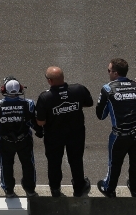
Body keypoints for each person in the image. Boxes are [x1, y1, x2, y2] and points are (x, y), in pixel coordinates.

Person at [36, 66, 93, 197]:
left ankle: (55, 189)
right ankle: (79, 189)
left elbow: (40, 122)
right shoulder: (78, 89)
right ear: (63, 77)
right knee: (76, 160)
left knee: (54, 162)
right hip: (76, 133)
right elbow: (89, 103)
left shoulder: (45, 97)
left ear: (50, 81)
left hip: (54, 136)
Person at [0, 76, 40, 197]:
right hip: (24, 140)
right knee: (28, 164)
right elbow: (33, 122)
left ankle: (9, 189)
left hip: (5, 141)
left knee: (6, 165)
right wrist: (39, 131)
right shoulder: (29, 104)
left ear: (3, 90)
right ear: (21, 89)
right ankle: (30, 189)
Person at [95, 58, 136, 197]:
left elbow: (100, 115)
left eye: (109, 70)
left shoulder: (108, 88)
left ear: (116, 73)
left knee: (115, 163)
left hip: (119, 136)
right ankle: (135, 188)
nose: (108, 73)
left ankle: (109, 188)